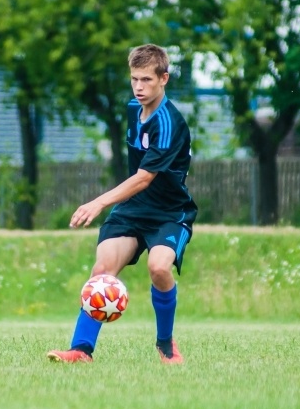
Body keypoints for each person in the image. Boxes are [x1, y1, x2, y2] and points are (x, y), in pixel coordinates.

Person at [47, 44, 197, 364]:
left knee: (158, 267)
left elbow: (144, 177)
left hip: (170, 213)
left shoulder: (170, 123)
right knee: (101, 271)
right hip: (133, 210)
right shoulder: (132, 109)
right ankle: (81, 350)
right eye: (134, 80)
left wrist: (98, 202)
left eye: (146, 80)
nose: (139, 87)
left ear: (164, 78)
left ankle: (166, 344)